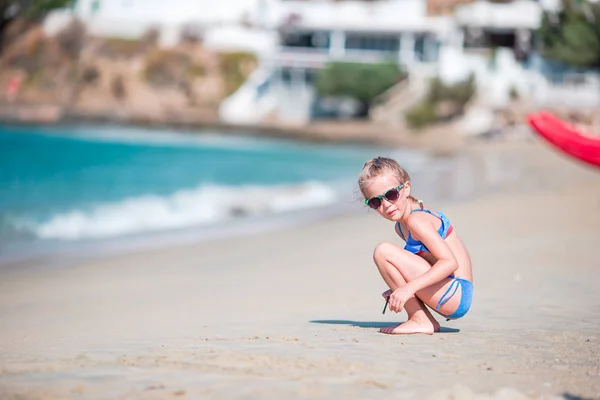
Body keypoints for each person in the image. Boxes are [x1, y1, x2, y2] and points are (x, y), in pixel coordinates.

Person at [358, 157, 473, 335]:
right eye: (375, 202)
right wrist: (397, 287)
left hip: (456, 292)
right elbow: (424, 261)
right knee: (386, 255)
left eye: (391, 195)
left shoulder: (416, 220)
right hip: (451, 291)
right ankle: (421, 319)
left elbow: (450, 262)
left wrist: (407, 289)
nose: (386, 205)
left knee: (383, 251)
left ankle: (420, 320)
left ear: (406, 188)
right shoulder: (401, 226)